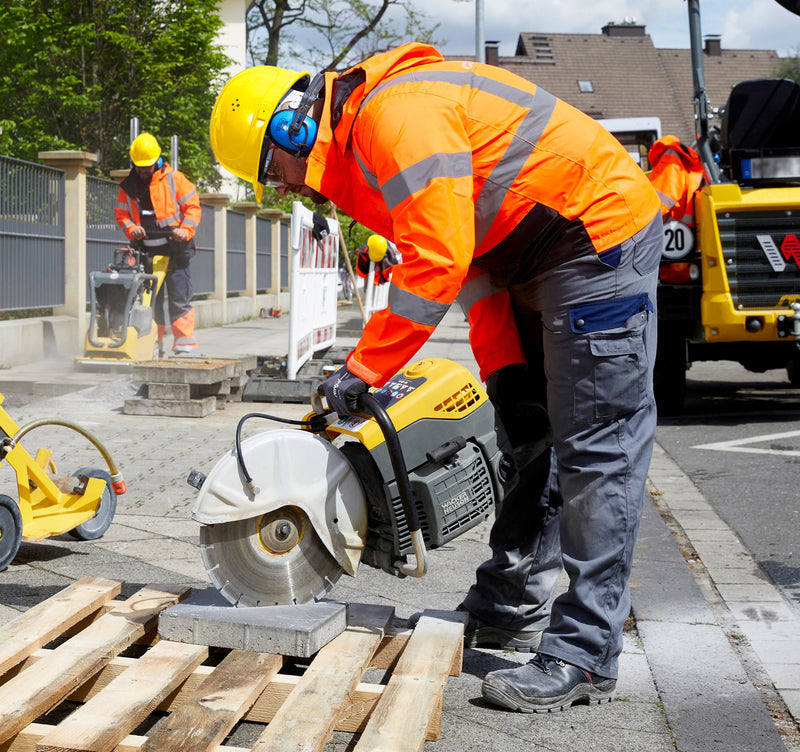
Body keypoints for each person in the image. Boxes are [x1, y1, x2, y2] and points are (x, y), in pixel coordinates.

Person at [209, 43, 662, 713]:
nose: (279, 186)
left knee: (596, 446)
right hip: (528, 256)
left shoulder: (396, 119)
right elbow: (471, 263)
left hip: (592, 238)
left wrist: (365, 369)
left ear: (291, 128)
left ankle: (587, 652)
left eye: (270, 171)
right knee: (528, 435)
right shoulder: (362, 152)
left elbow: (439, 261)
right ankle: (511, 601)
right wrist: (505, 371)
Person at [114, 132, 201, 355]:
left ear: (157, 161)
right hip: (146, 252)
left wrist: (185, 230)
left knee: (179, 296)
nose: (142, 171)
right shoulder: (128, 186)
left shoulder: (175, 179)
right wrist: (133, 229)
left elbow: (192, 207)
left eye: (147, 166)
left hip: (175, 250)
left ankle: (184, 342)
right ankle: (154, 341)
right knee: (149, 300)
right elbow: (122, 215)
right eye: (139, 167)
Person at [646, 134, 705, 228]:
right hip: (680, 231)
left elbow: (657, 206)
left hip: (673, 230)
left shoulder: (671, 160)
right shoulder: (676, 160)